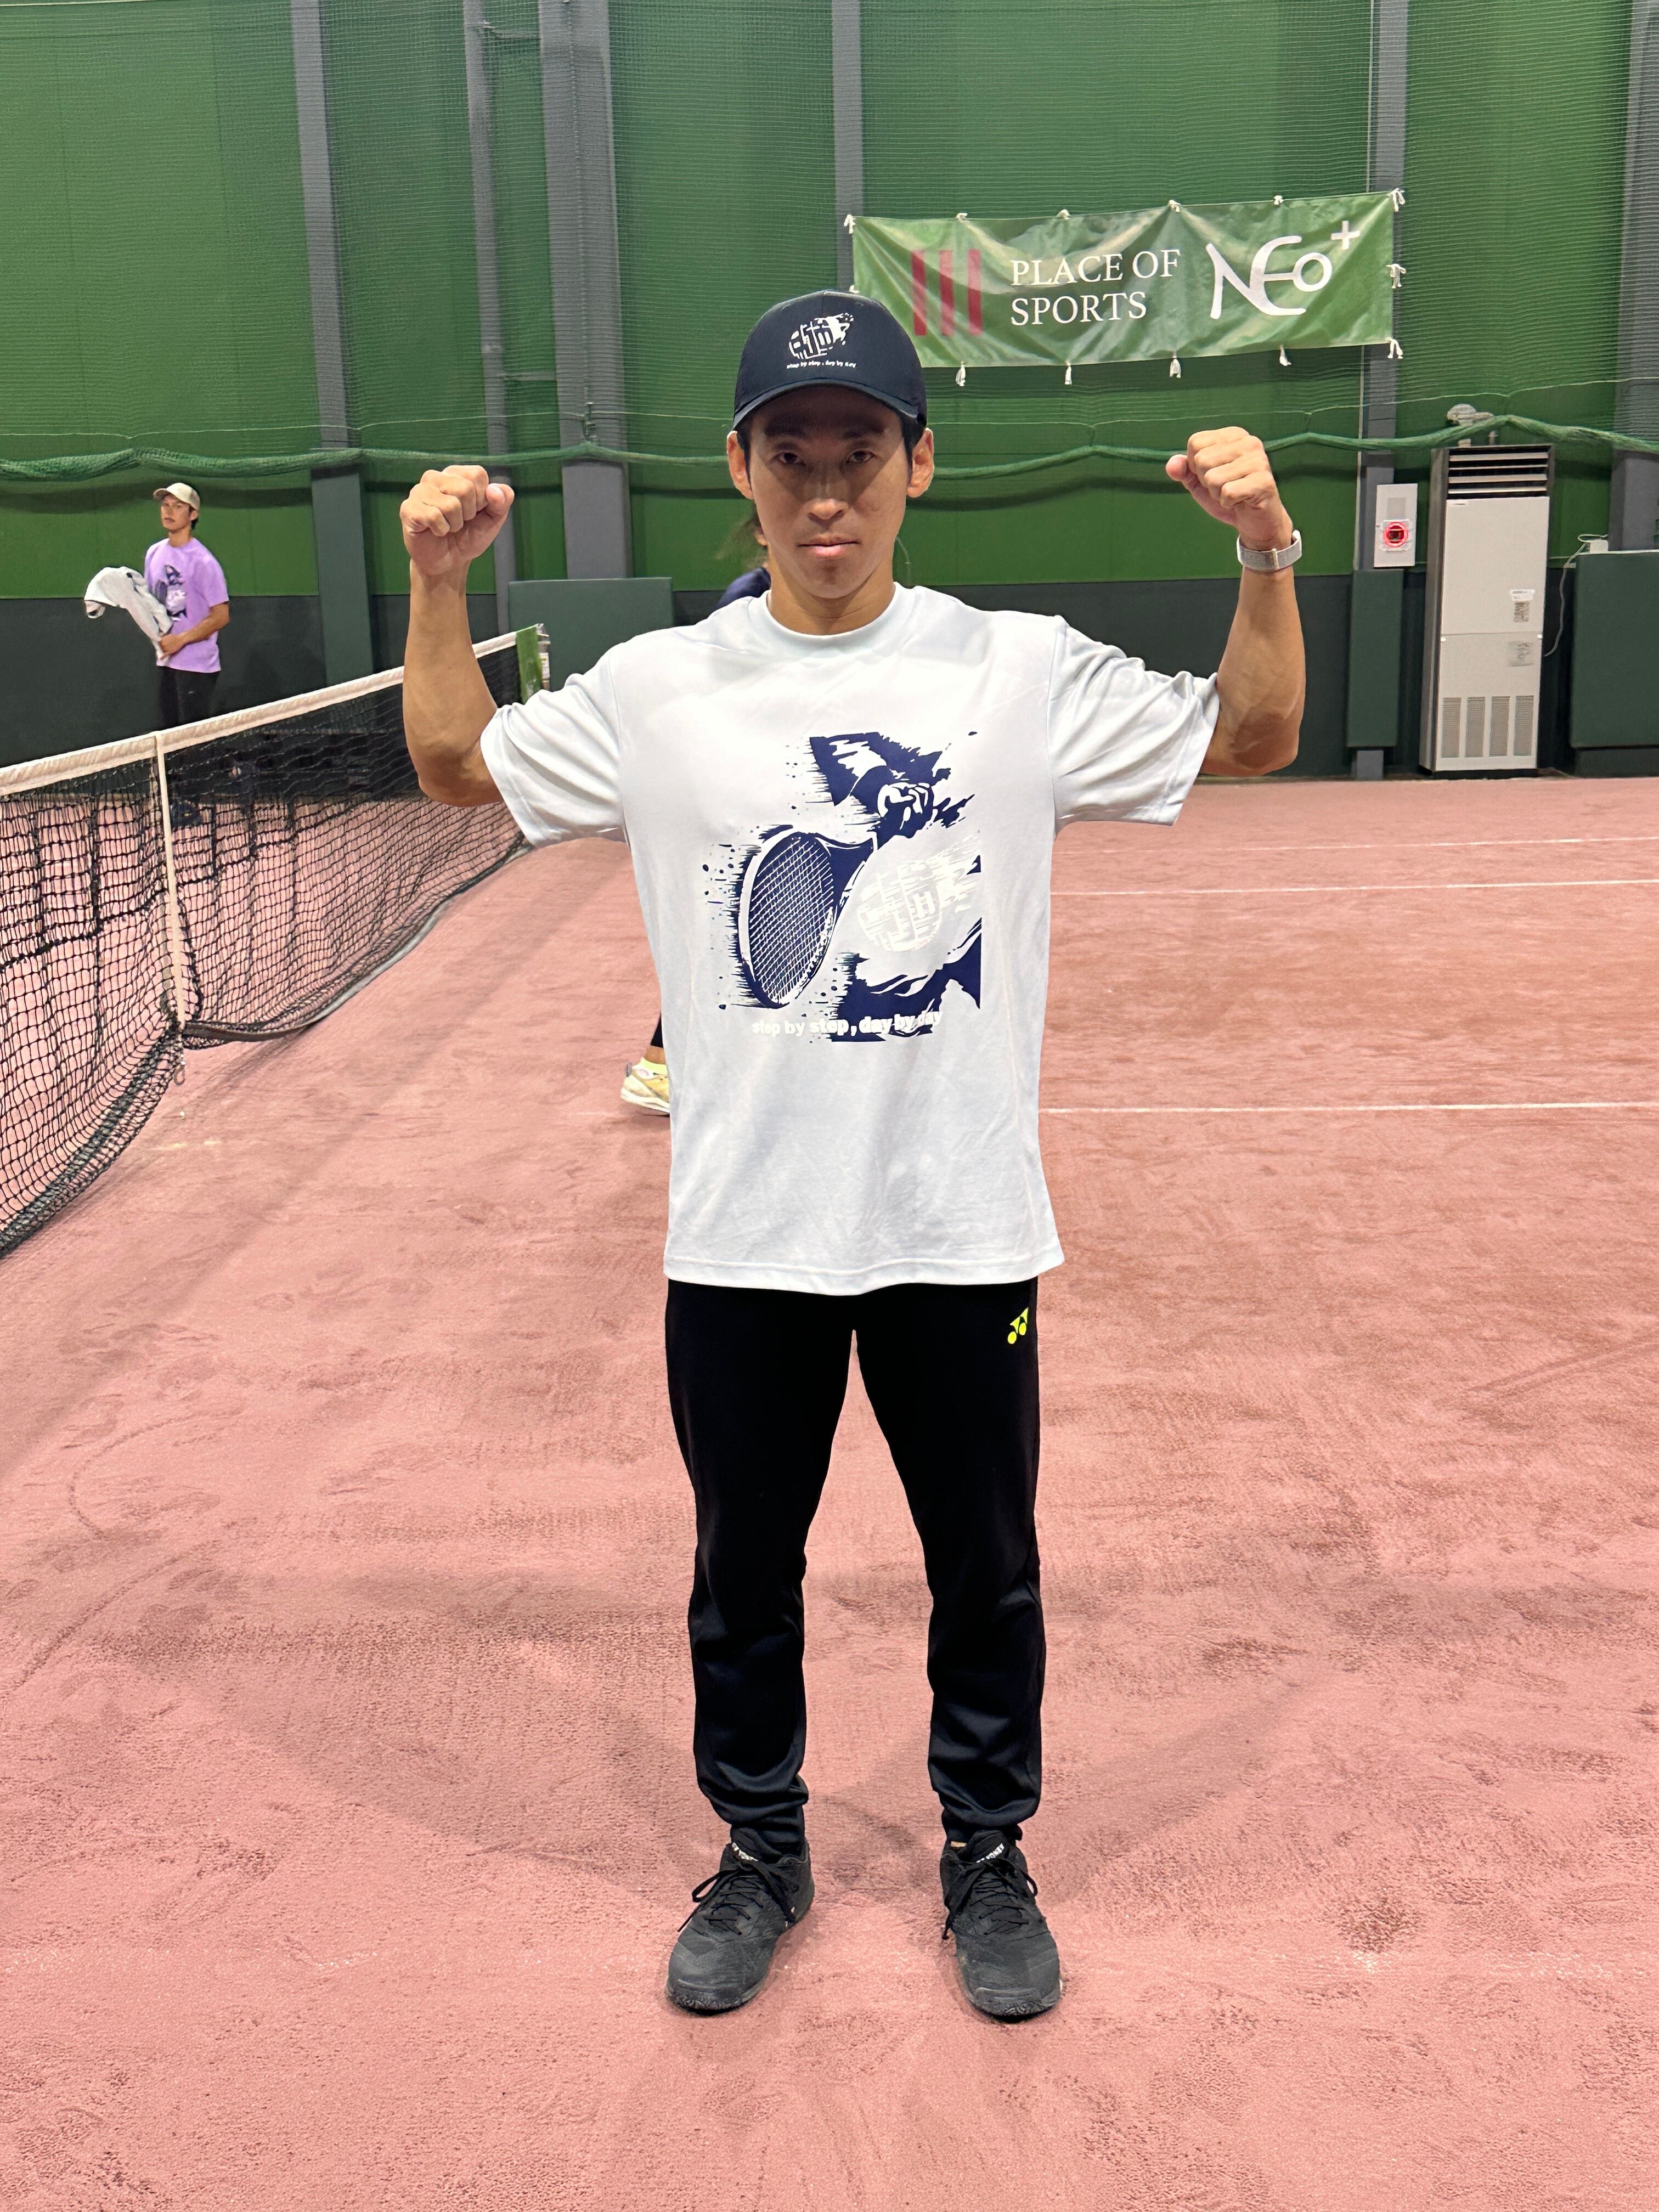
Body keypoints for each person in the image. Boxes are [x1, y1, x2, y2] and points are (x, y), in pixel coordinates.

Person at [398, 290, 1303, 2022]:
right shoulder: (661, 690)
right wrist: (438, 588)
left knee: (989, 1571)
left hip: (961, 1227)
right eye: (794, 454)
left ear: (917, 467)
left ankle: (987, 1850)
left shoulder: (1016, 671)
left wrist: (1265, 554)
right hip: (745, 1237)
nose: (828, 489)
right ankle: (761, 1848)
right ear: (741, 473)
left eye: (860, 452)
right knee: (743, 1578)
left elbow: (1254, 733)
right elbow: (453, 765)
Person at [620, 533, 770, 1118]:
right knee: (721, 942)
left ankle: (669, 1066)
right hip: (735, 801)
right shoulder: (747, 600)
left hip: (753, 796)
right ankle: (661, 1069)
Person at [145, 482, 230, 726]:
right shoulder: (154, 553)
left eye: (178, 506)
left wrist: (180, 640)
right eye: (165, 505)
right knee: (168, 738)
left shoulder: (204, 562)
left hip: (197, 669)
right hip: (165, 663)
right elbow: (152, 603)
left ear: (193, 515)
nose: (169, 511)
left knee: (194, 742)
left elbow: (221, 616)